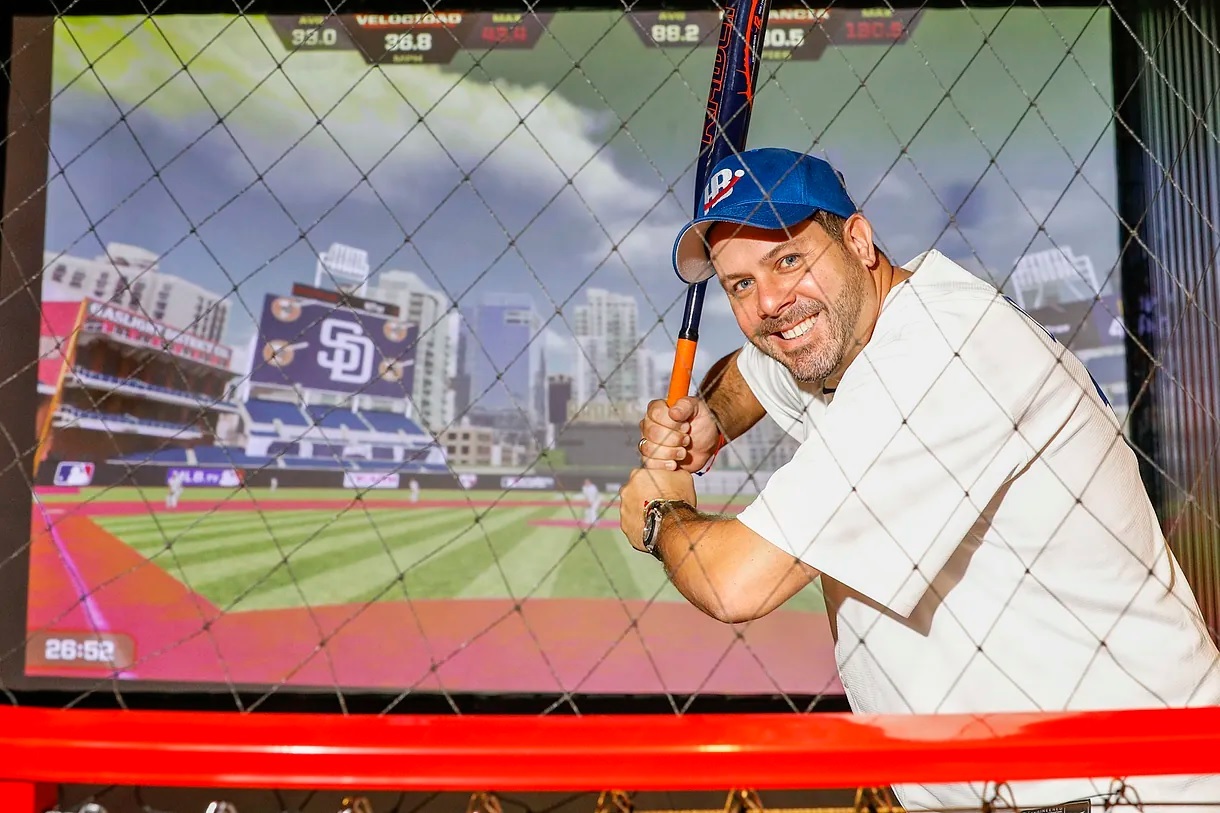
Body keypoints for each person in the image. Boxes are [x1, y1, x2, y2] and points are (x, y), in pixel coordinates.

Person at [619, 147, 1220, 812]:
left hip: (1127, 783)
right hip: (1033, 782)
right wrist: (712, 418)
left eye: (789, 259)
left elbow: (732, 582)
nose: (769, 302)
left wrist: (661, 512)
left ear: (859, 238)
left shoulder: (939, 353)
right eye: (738, 284)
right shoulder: (841, 335)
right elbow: (748, 371)